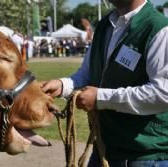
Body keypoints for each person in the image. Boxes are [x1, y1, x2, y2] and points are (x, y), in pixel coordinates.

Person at [41, 0, 168, 166]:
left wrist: (101, 98)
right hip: (103, 150)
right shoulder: (104, 25)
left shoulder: (159, 28)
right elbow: (87, 74)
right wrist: (62, 85)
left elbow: (163, 94)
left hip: (145, 157)